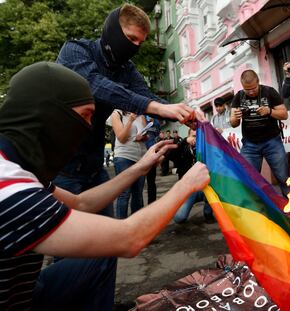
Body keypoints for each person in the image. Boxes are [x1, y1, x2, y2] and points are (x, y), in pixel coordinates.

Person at [0, 61, 209, 311]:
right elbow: (130, 239)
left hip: (26, 292)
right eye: (85, 115)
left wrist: (141, 166)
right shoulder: (10, 189)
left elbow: (81, 203)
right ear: (50, 115)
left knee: (100, 254)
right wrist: (185, 185)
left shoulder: (18, 169)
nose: (89, 128)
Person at [54, 3, 195, 207]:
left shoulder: (126, 69)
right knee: (65, 236)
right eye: (131, 39)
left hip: (94, 168)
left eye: (140, 42)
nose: (135, 47)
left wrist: (184, 112)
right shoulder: (75, 51)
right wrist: (156, 107)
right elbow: (96, 86)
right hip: (60, 167)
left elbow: (147, 96)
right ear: (113, 30)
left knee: (105, 234)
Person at [230, 69, 290, 197]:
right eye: (247, 89)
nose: (251, 92)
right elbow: (233, 123)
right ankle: (258, 211)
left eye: (253, 88)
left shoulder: (269, 92)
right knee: (248, 179)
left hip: (272, 141)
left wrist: (269, 111)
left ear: (258, 82)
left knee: (284, 177)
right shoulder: (239, 96)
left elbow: (284, 114)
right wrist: (236, 117)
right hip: (250, 144)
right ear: (242, 86)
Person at [111, 110, 147, 218]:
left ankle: (136, 224)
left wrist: (143, 137)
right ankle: (120, 226)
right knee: (124, 194)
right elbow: (121, 138)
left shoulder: (141, 116)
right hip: (124, 157)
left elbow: (145, 135)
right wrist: (130, 120)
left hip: (140, 158)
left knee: (138, 194)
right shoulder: (117, 114)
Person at [173, 129, 214, 224]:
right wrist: (184, 142)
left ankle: (208, 213)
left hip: (205, 188)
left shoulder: (205, 149)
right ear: (188, 137)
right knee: (179, 218)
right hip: (189, 190)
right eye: (193, 136)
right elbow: (173, 154)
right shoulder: (183, 149)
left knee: (214, 188)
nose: (195, 139)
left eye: (198, 137)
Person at [144, 116, 161, 204]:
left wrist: (157, 155)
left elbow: (157, 139)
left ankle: (152, 203)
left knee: (151, 182)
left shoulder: (157, 122)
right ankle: (138, 209)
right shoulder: (141, 118)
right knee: (139, 183)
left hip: (152, 155)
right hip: (141, 155)